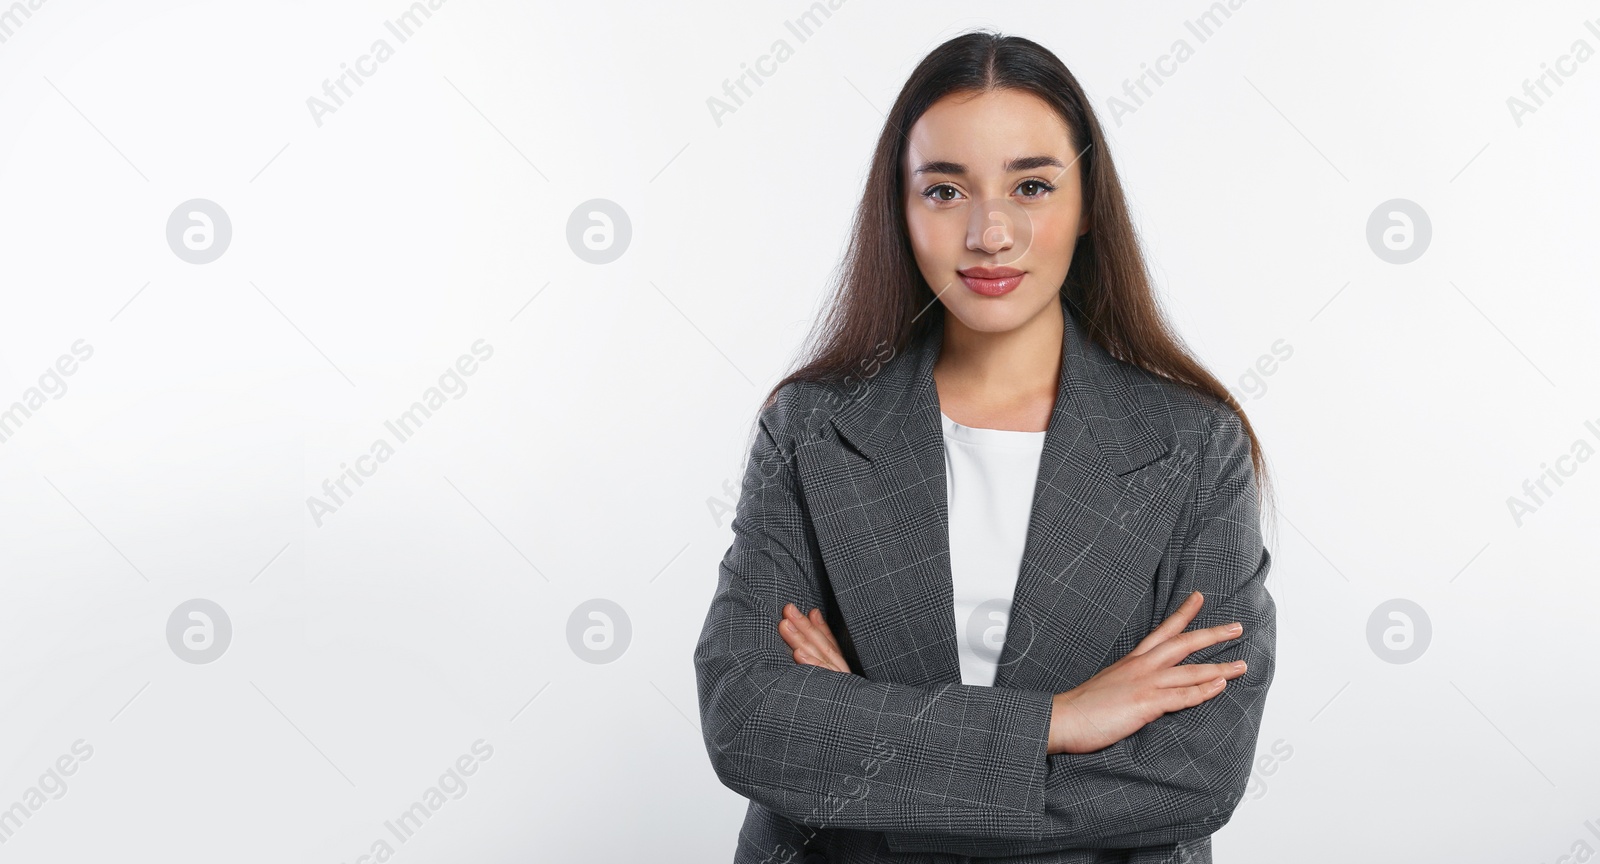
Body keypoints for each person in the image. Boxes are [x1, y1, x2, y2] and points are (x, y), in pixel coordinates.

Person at [694, 28, 1277, 864]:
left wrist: (865, 732)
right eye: (944, 191)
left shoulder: (1193, 445)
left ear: (1086, 211)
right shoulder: (811, 427)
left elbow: (1198, 770)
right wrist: (1061, 721)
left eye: (1032, 185)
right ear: (899, 210)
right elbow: (749, 720)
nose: (991, 233)